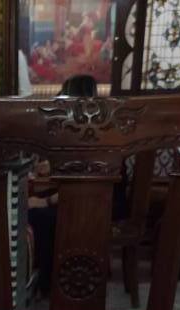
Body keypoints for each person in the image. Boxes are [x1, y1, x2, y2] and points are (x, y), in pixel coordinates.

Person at [28, 74, 128, 297]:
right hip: (94, 199)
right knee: (42, 211)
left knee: (40, 216)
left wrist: (44, 201)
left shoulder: (95, 133)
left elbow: (85, 188)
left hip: (104, 205)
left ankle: (53, 283)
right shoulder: (98, 129)